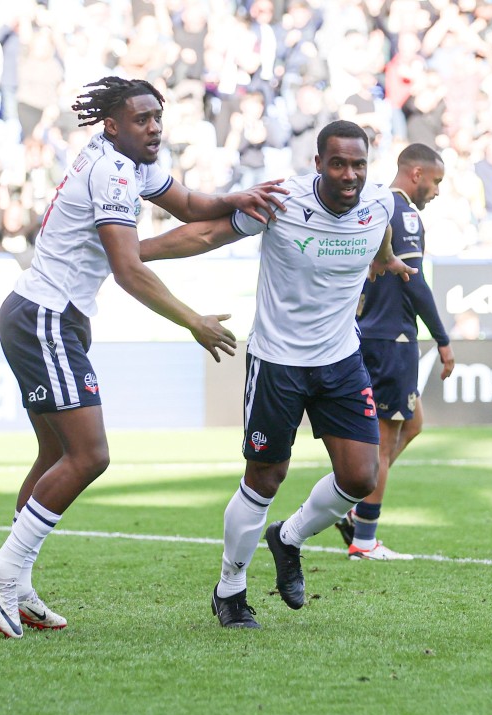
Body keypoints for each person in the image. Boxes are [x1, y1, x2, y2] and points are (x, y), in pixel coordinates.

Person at [0, 76, 286, 639]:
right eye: (142, 119)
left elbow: (190, 205)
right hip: (45, 316)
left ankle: (13, 579)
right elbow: (128, 269)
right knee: (90, 456)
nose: (154, 128)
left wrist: (233, 200)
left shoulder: (129, 164)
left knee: (56, 451)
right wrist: (194, 321)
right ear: (112, 125)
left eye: (157, 118)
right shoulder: (113, 171)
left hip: (46, 314)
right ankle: (5, 569)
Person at [139, 120, 416, 628]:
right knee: (265, 477)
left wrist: (386, 260)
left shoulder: (379, 204)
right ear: (318, 164)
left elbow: (382, 233)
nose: (349, 175)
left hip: (340, 360)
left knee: (361, 475)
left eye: (358, 164)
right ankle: (230, 589)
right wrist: (130, 252)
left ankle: (287, 538)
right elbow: (205, 234)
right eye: (338, 164)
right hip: (278, 361)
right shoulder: (282, 203)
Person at [334, 143, 455, 559]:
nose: (437, 191)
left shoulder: (372, 205)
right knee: (383, 446)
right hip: (391, 338)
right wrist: (442, 337)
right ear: (416, 173)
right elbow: (413, 282)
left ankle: (351, 508)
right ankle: (364, 539)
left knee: (414, 422)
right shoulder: (402, 212)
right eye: (436, 181)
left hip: (372, 333)